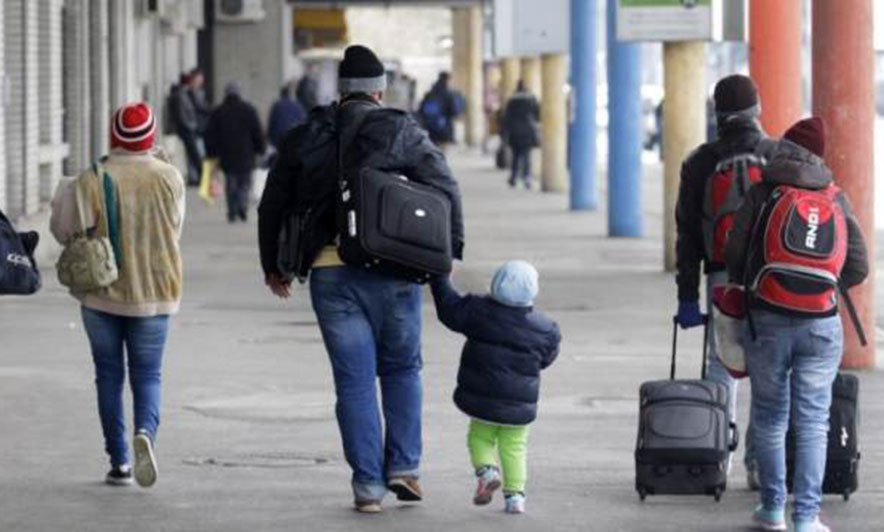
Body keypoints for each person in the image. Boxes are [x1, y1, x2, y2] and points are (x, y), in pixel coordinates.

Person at [258, 44, 464, 513]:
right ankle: (404, 469)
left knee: (353, 383)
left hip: (331, 275)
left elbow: (272, 203)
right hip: (395, 271)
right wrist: (449, 252)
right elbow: (445, 186)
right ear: (379, 92)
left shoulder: (305, 134)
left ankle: (368, 487)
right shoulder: (401, 130)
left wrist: (274, 264)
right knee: (402, 369)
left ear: (340, 91)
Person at [725, 117, 868, 532]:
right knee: (811, 420)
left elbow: (735, 254)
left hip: (767, 317)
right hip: (820, 323)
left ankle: (772, 509)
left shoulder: (763, 190)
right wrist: (820, 286)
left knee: (770, 416)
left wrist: (759, 283)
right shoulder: (833, 196)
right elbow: (857, 264)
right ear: (819, 155)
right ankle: (806, 516)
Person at [49, 102, 185, 489]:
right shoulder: (169, 177)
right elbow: (175, 229)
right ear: (151, 136)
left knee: (108, 376)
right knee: (148, 375)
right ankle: (145, 434)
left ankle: (120, 462)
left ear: (114, 136)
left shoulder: (92, 177)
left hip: (100, 295)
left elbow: (63, 231)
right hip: (156, 292)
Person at [674, 74, 774, 487]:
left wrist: (686, 297)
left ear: (717, 113)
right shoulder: (776, 154)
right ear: (757, 110)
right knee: (770, 370)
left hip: (721, 277)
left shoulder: (699, 162)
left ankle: (716, 458)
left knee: (722, 366)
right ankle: (758, 465)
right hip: (770, 278)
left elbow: (688, 237)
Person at [430, 261, 560, 514]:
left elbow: (449, 309)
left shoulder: (478, 311)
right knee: (515, 446)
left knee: (480, 436)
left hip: (482, 398)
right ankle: (515, 497)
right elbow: (546, 359)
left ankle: (487, 472)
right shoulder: (545, 329)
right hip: (520, 402)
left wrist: (441, 279)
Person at [204, 83, 266, 223]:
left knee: (231, 182)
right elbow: (257, 132)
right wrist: (260, 148)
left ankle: (232, 210)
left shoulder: (218, 111)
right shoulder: (249, 110)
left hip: (226, 155)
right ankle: (242, 205)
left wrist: (211, 153)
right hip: (246, 154)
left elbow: (210, 135)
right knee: (245, 183)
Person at [502, 80, 540, 189]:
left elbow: (506, 118)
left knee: (515, 155)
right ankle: (527, 177)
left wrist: (505, 132)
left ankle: (513, 177)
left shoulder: (512, 100)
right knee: (527, 156)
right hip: (527, 131)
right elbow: (537, 114)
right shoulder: (531, 99)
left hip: (515, 131)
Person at [171, 72, 202, 186]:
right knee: (195, 155)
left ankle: (198, 178)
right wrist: (191, 126)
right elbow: (182, 115)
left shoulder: (183, 94)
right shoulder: (180, 95)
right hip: (187, 130)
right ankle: (200, 178)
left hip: (188, 128)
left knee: (193, 155)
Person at [418, 72, 459, 147]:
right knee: (443, 150)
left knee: (433, 148)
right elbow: (454, 111)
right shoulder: (448, 94)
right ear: (447, 80)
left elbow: (421, 110)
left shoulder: (430, 93)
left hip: (430, 127)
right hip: (444, 127)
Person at [267, 82, 307, 149]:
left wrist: (271, 141)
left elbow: (271, 126)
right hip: (294, 142)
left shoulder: (276, 106)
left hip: (279, 141)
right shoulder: (299, 106)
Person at [187, 68, 212, 136]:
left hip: (200, 126)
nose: (201, 81)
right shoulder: (189, 92)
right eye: (199, 79)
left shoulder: (200, 92)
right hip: (194, 126)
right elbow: (199, 107)